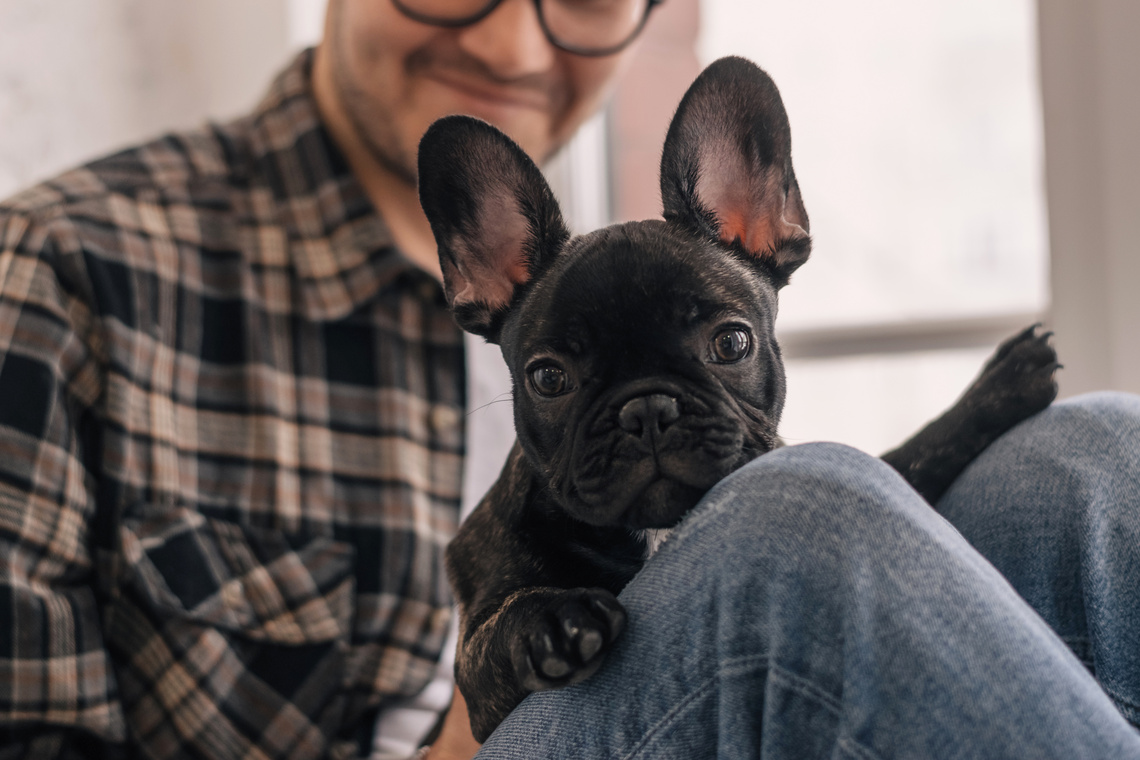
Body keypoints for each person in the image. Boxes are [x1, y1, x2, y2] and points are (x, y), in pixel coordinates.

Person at [0, 1, 1137, 759]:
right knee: (799, 510)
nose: (509, 46)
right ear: (483, 275)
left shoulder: (598, 273)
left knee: (1087, 453)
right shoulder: (69, 273)